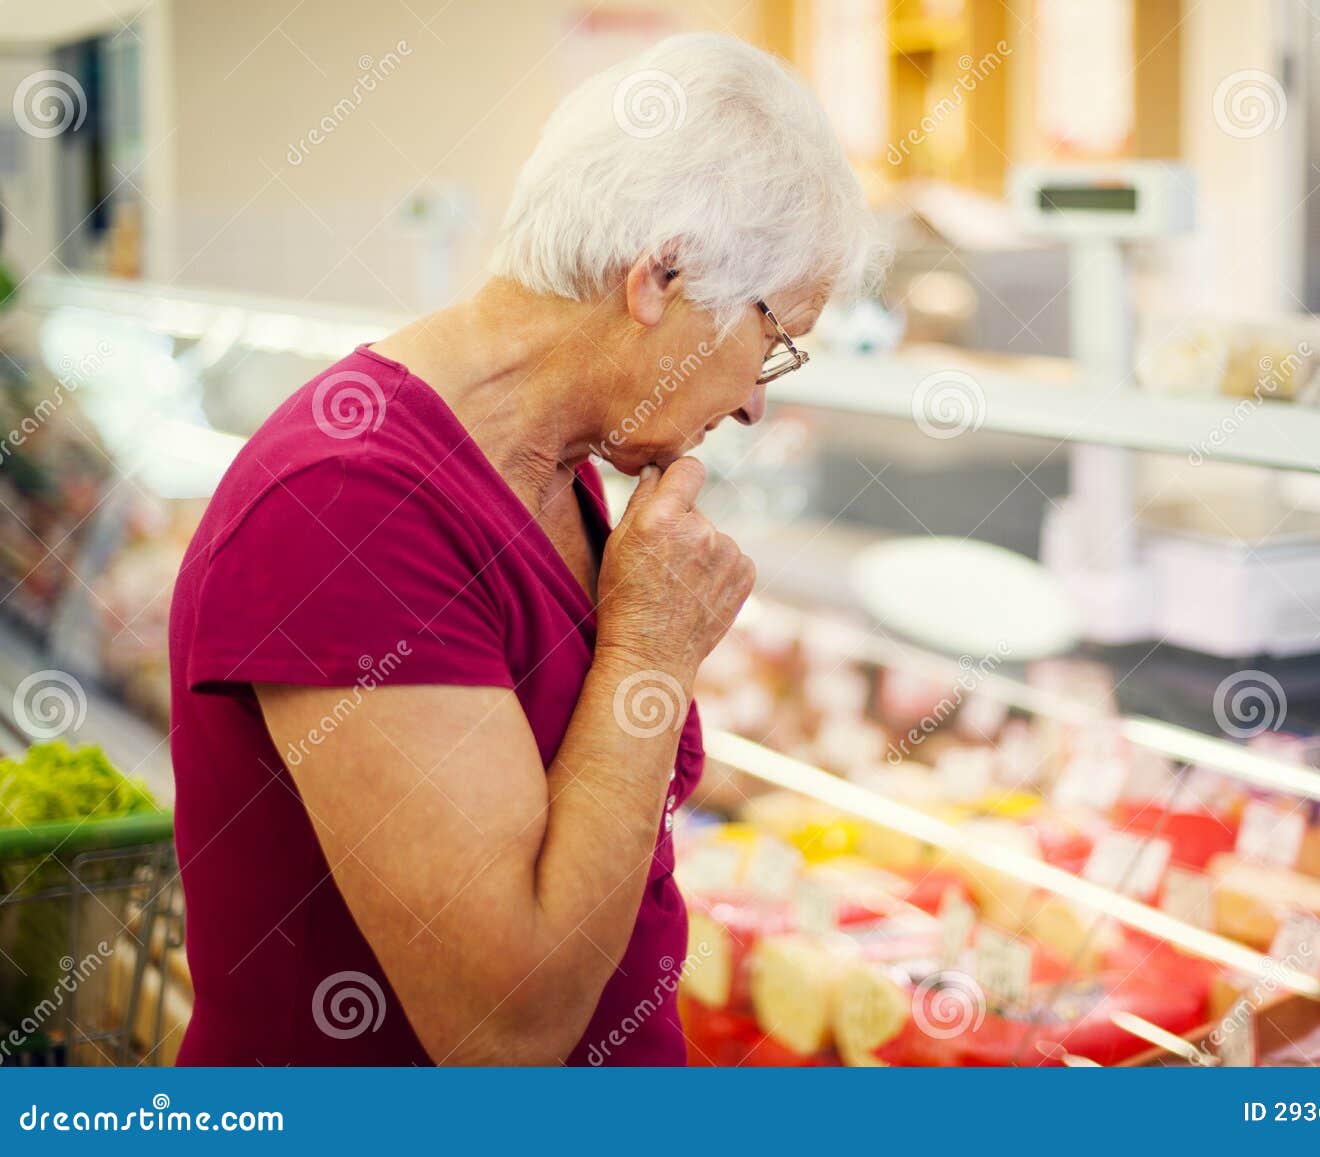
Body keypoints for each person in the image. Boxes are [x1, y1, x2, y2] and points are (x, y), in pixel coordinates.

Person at [167, 32, 884, 1065]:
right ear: (661, 275)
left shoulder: (562, 463)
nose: (756, 402)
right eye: (772, 339)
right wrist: (649, 653)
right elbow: (506, 1025)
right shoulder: (347, 501)